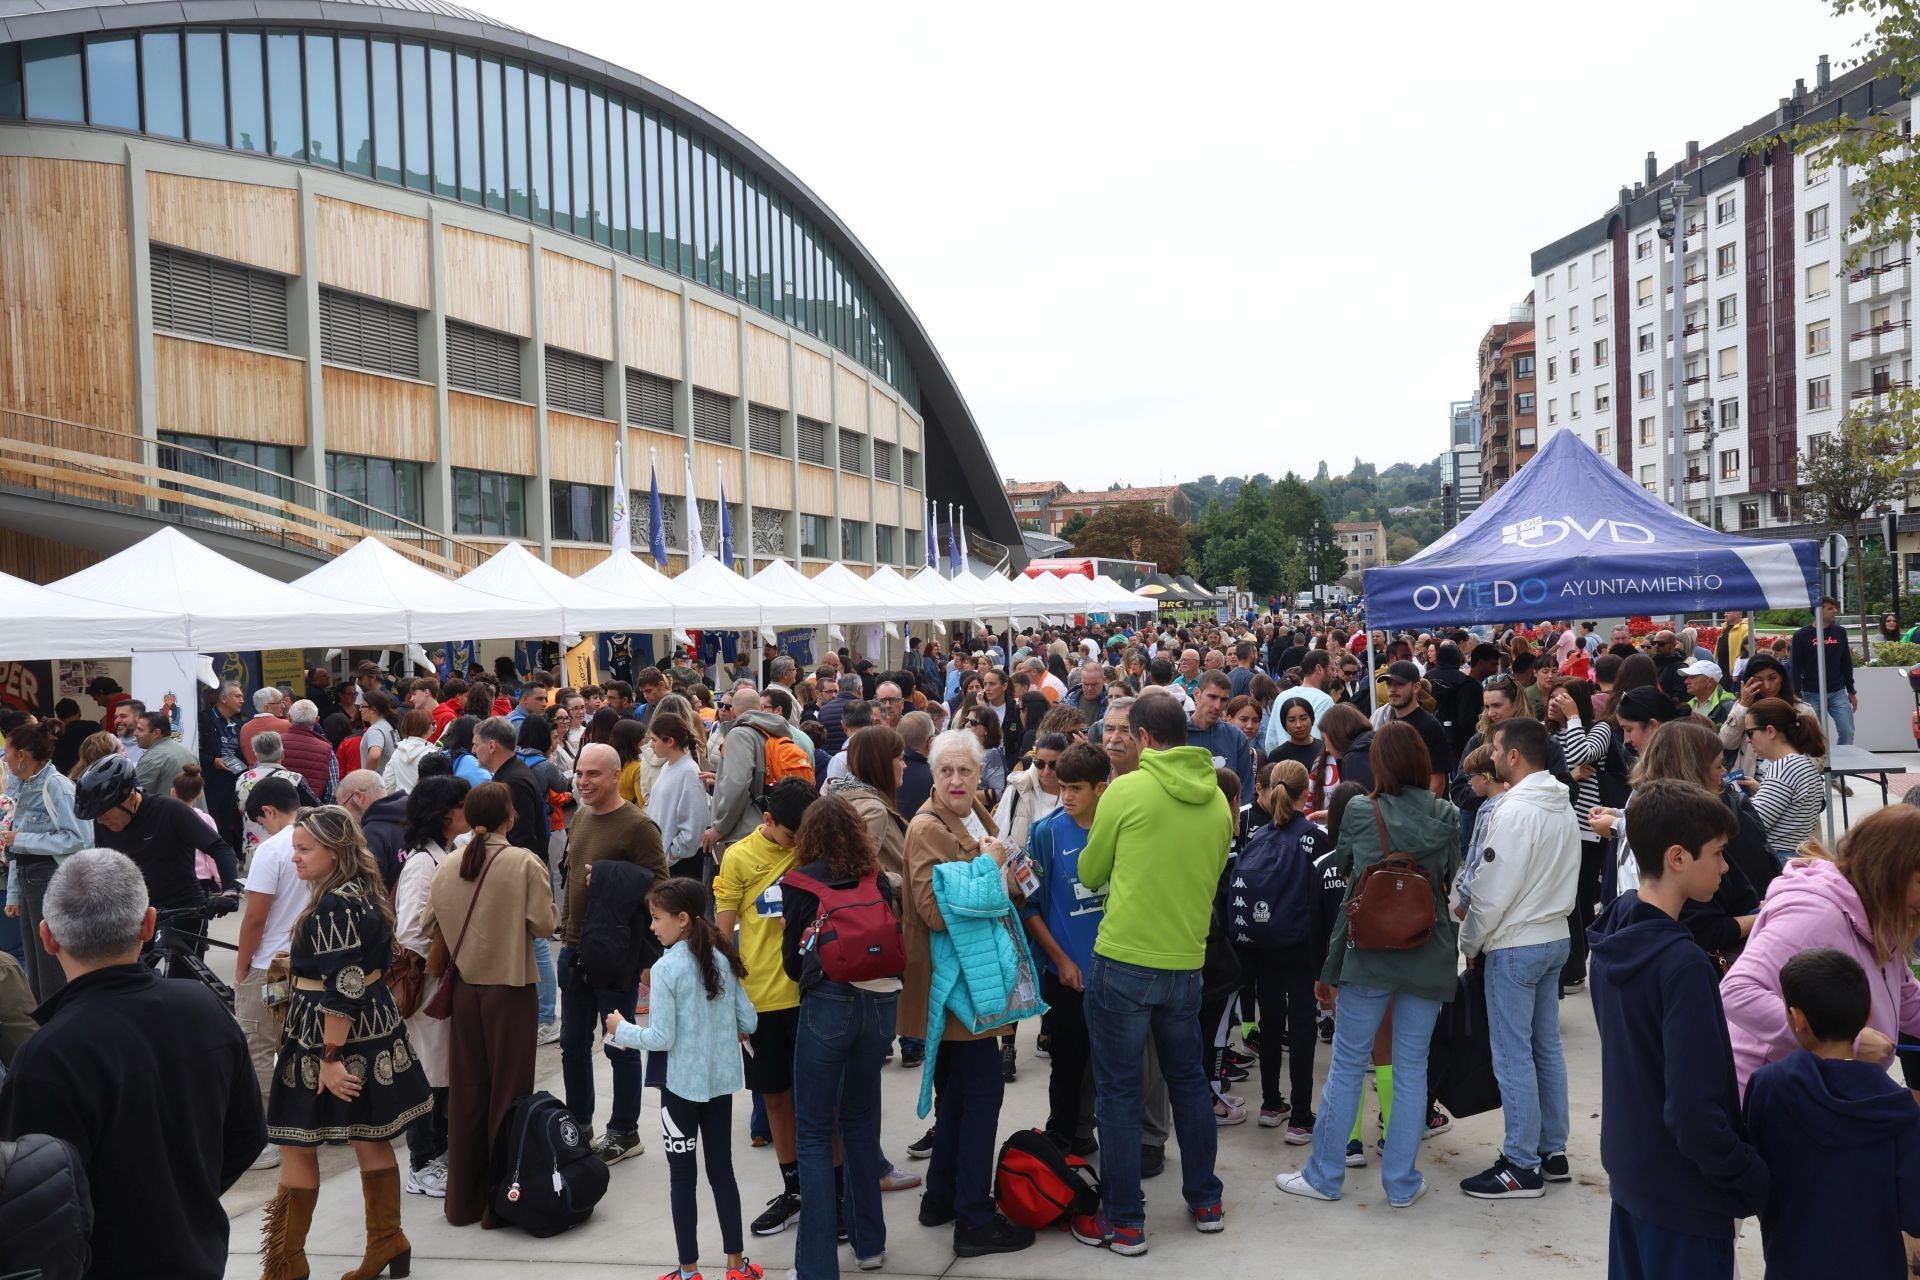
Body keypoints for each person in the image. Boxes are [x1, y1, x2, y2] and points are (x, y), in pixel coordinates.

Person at [0, 849, 263, 1280]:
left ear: (47, 939)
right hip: (199, 1254)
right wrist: (184, 1199)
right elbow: (248, 1135)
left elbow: (29, 1200)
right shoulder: (203, 1008)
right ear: (149, 924)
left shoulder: (48, 1056)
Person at [1070, 693, 1232, 1255]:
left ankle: (1124, 1220)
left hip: (1124, 959)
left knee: (1117, 1093)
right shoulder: (1216, 799)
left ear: (1141, 737)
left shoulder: (1128, 789)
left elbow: (1091, 871)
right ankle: (1205, 1198)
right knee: (1188, 1082)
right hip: (1185, 962)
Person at [1276, 721, 1459, 1211]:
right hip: (1428, 948)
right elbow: (1449, 876)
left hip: (1369, 949)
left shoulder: (1360, 809)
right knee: (1411, 1068)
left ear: (1378, 764)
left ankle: (1326, 1175)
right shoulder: (1447, 813)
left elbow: (1350, 871)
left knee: (1347, 1064)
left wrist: (1329, 967)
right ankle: (1401, 1182)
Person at [1588, 779, 1764, 1280]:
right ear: (1678, 858)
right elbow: (1693, 1108)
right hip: (1685, 1197)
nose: (1727, 868)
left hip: (1631, 1173)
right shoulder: (1682, 964)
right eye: (1719, 854)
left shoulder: (1612, 936)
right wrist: (1751, 1177)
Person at [260, 805, 432, 1280]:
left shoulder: (335, 903)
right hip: (372, 1029)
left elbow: (346, 981)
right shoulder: (361, 892)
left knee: (296, 1144)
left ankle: (287, 1264)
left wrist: (330, 1059)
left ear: (335, 851)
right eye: (295, 847)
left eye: (304, 849)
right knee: (370, 1138)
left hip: (330, 1037)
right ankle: (387, 1241)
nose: (294, 857)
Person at [902, 728, 1034, 1258]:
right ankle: (974, 1220)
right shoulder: (927, 827)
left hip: (971, 984)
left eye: (966, 771)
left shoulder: (974, 813)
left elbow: (1007, 876)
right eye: (946, 771)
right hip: (957, 988)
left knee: (959, 1096)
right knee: (980, 1098)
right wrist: (992, 865)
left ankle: (942, 1198)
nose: (957, 780)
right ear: (932, 775)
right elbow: (933, 910)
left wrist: (1003, 865)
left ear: (981, 774)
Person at [606, 878, 762, 1280]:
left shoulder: (665, 969)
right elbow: (749, 1020)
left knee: (682, 1178)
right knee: (721, 1171)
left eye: (657, 919)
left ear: (682, 919)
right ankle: (735, 1265)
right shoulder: (723, 959)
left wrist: (620, 1027)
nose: (653, 927)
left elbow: (661, 1038)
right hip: (720, 1084)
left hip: (679, 1090)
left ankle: (689, 1270)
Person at [780, 796, 909, 1277]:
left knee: (814, 1133)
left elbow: (793, 963)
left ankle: (816, 1267)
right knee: (860, 1122)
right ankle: (869, 1244)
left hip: (828, 1005)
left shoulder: (799, 883)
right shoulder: (874, 877)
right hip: (881, 1006)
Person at [421, 782, 559, 1225]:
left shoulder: (448, 863)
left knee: (467, 1096)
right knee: (509, 1096)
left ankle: (462, 1201)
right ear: (511, 816)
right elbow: (544, 924)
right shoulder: (522, 862)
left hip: (463, 989)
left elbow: (428, 925)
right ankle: (500, 1203)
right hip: (511, 988)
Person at [1456, 717, 1580, 1199]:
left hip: (1517, 944)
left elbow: (1490, 893)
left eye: (1496, 747)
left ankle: (1521, 1164)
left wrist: (1469, 942)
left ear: (1513, 756)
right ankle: (1551, 1150)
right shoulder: (1559, 805)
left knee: (1514, 1056)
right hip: (1552, 938)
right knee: (1544, 1048)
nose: (1489, 753)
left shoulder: (1513, 811)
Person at [1744, 947, 1920, 1280]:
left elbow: (1754, 1183)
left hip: (1791, 1264)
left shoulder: (1768, 1087)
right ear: (1868, 1017)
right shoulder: (1900, 1108)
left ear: (1797, 1019)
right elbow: (1914, 1213)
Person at [1721, 803, 1920, 1094]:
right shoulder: (1816, 914)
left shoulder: (1877, 916)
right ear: (1888, 869)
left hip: (1820, 1091)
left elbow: (1907, 998)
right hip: (1770, 1097)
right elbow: (1736, 992)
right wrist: (1844, 1042)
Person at [715, 778, 820, 1236]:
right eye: (790, 834)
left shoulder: (817, 850)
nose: (799, 842)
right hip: (763, 1002)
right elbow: (722, 936)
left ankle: (833, 1191)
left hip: (815, 997)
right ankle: (795, 1190)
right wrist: (733, 1004)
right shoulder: (739, 856)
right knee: (775, 1098)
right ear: (769, 820)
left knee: (822, 1102)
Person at [561, 744, 668, 1166]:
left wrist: (609, 876)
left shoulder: (639, 826)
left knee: (618, 1043)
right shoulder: (582, 816)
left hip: (613, 954)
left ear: (615, 775)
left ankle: (625, 1131)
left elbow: (661, 889)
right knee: (571, 1043)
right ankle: (579, 1125)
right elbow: (572, 879)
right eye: (579, 773)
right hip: (574, 948)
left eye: (593, 775)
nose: (584, 782)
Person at [1020, 741, 1112, 1154]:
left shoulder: (1119, 829)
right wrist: (1060, 961)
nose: (1068, 797)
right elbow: (1030, 906)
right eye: (1063, 788)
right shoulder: (1046, 833)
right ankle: (1060, 1144)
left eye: (1077, 788)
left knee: (1109, 1068)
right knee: (1067, 1065)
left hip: (1115, 972)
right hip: (1066, 974)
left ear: (1101, 788)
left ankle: (1096, 1136)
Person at [1235, 759, 1323, 1141]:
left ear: (1269, 789)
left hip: (1263, 946)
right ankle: (1301, 1117)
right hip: (1303, 947)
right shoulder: (1316, 838)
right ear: (1307, 792)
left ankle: (1271, 1103)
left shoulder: (1257, 837)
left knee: (1271, 1022)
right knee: (1302, 1028)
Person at [392, 774, 469, 1199]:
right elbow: (410, 930)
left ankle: (437, 1157)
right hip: (429, 984)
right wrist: (452, 956)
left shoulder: (446, 853)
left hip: (442, 982)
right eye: (462, 804)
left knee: (442, 1071)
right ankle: (423, 1163)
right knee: (430, 1073)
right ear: (445, 813)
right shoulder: (422, 863)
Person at [232, 776, 305, 1171]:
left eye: (260, 821)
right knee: (303, 1042)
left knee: (257, 1044)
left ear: (269, 811)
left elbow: (255, 917)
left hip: (269, 964)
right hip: (312, 960)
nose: (262, 829)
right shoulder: (322, 839)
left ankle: (268, 1137)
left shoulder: (272, 849)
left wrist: (242, 966)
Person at [75, 753, 237, 912]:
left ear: (131, 798)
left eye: (105, 813)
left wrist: (230, 891)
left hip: (181, 910)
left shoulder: (169, 810)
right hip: (135, 913)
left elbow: (219, 848)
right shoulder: (103, 823)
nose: (101, 821)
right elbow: (105, 870)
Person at [1, 721, 90, 1000]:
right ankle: (45, 1025)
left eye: (7, 752)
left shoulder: (57, 786)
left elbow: (78, 838)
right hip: (31, 881)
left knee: (52, 961)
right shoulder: (26, 786)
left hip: (50, 879)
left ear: (22, 756)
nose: (4, 759)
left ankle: (58, 1024)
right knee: (37, 963)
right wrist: (13, 894)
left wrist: (22, 840)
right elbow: (18, 847)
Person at [1736, 698, 1828, 864]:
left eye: (1750, 733)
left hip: (1779, 859)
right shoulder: (1802, 763)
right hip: (1795, 857)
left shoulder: (1784, 767)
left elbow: (1755, 823)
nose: (1748, 740)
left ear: (1771, 731)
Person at [648, 712, 715, 879]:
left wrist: (673, 855)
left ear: (670, 741)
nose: (651, 745)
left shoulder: (689, 772)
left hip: (681, 865)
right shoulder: (669, 766)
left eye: (654, 740)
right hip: (666, 860)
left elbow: (695, 823)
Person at [1791, 595, 1856, 747]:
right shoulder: (1801, 636)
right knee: (1814, 735)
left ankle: (1841, 764)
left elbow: (1846, 662)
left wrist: (1851, 692)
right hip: (1811, 693)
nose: (1835, 611)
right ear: (1818, 611)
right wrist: (1796, 694)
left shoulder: (1840, 632)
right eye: (1830, 608)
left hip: (1837, 692)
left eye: (1835, 607)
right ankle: (1820, 767)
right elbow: (1796, 667)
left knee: (1848, 731)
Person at [131, 709, 197, 803]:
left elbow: (135, 796)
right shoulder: (188, 752)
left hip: (173, 816)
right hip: (196, 815)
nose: (135, 733)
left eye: (140, 730)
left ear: (156, 733)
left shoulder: (152, 757)